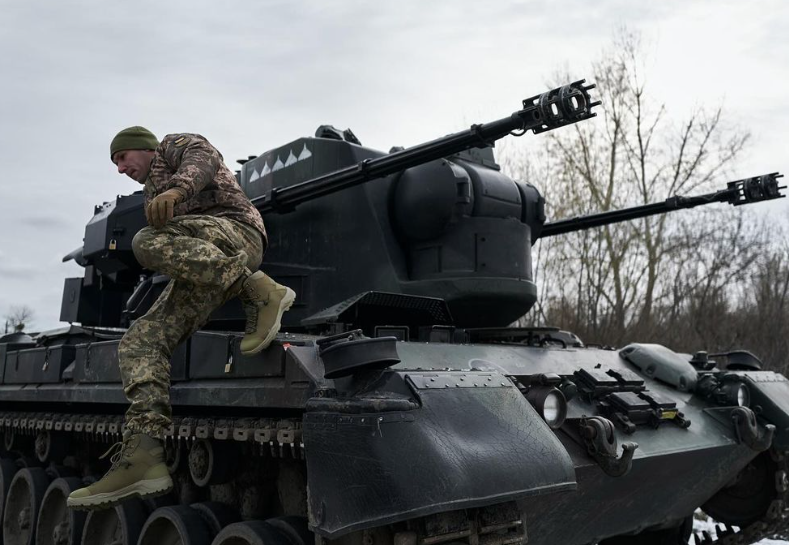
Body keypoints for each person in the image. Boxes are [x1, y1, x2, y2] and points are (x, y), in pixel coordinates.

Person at [67, 126, 295, 510]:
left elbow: (203, 161)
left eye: (122, 158)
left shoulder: (173, 147)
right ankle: (144, 455)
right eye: (115, 164)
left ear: (142, 148)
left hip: (238, 233)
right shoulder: (150, 195)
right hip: (208, 264)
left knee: (145, 241)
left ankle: (256, 288)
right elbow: (179, 247)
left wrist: (177, 190)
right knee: (141, 340)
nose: (120, 168)